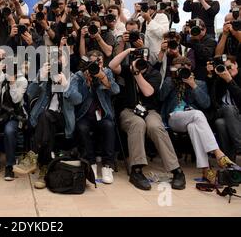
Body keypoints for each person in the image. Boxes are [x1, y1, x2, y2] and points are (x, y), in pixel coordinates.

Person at [109, 47, 185, 191]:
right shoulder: (127, 70)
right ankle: (136, 170)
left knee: (155, 127)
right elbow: (112, 65)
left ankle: (176, 170)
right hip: (129, 111)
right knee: (137, 124)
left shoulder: (154, 73)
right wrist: (127, 52)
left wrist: (137, 74)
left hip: (149, 111)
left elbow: (148, 92)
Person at [160, 56, 236, 183]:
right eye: (180, 69)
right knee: (198, 114)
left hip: (191, 118)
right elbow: (160, 98)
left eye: (186, 68)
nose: (183, 72)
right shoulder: (170, 80)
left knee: (194, 126)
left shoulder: (199, 83)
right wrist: (172, 79)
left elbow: (206, 103)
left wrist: (193, 85)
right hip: (174, 118)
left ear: (191, 68)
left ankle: (206, 169)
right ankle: (218, 153)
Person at [13, 52, 76, 190]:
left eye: (61, 63)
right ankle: (44, 169)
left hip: (62, 119)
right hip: (45, 120)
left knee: (46, 117)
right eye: (55, 63)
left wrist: (66, 86)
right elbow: (29, 93)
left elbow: (78, 99)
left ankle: (33, 156)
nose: (58, 66)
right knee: (46, 120)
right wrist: (40, 77)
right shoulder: (45, 77)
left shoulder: (72, 77)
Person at [68, 50, 120, 183]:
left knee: (109, 125)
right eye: (92, 63)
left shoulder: (106, 72)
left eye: (99, 62)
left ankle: (107, 165)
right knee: (82, 128)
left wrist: (103, 77)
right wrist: (86, 83)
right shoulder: (79, 76)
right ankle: (90, 163)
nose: (95, 65)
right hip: (84, 115)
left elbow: (116, 90)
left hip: (103, 114)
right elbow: (75, 99)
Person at [0, 58, 28, 181]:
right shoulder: (2, 76)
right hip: (1, 112)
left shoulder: (22, 80)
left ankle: (10, 165)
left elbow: (16, 100)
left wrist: (13, 83)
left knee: (9, 130)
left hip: (15, 113)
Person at [207, 55, 241, 162]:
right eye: (225, 68)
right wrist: (212, 76)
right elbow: (212, 100)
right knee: (228, 109)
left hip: (238, 115)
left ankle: (229, 162)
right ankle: (239, 145)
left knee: (221, 124)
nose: (227, 71)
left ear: (236, 64)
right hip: (221, 111)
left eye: (230, 67)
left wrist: (230, 81)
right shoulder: (219, 79)